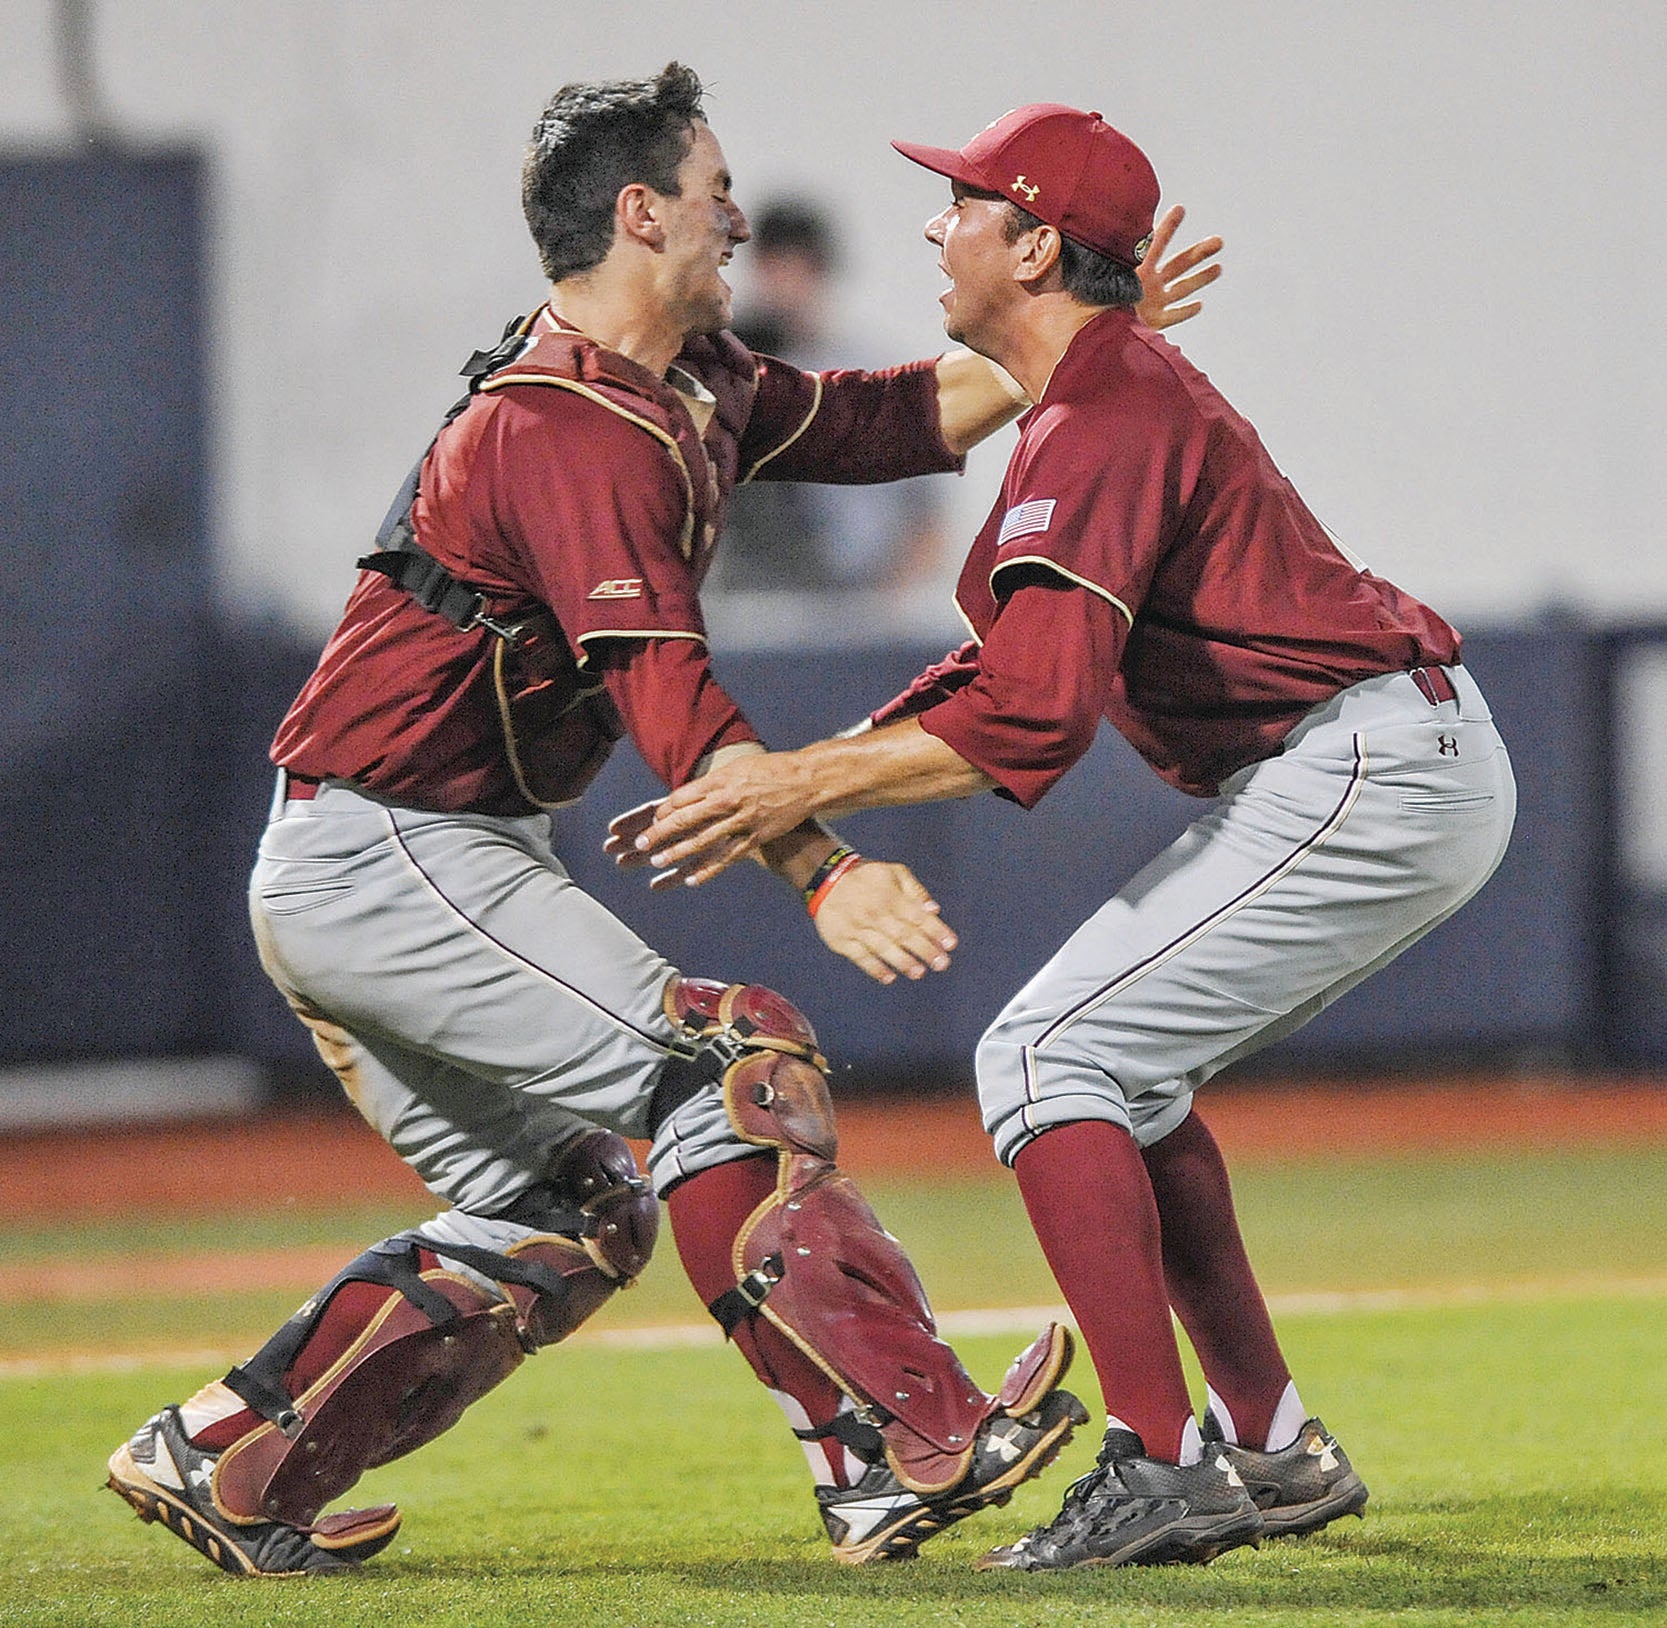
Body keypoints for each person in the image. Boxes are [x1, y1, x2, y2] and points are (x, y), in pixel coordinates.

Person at [101, 66, 1217, 1578]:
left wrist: (1082, 332)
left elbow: (892, 419)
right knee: (730, 1061)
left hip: (406, 847)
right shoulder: (563, 425)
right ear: (639, 213)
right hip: (389, 848)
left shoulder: (684, 381)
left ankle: (233, 1459)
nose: (735, 213)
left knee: (571, 1211)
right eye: (710, 190)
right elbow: (670, 706)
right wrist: (820, 870)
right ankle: (891, 1444)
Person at [623, 101, 1517, 1571]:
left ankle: (1163, 1465)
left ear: (1033, 243)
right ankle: (1267, 1443)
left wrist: (790, 789)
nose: (934, 225)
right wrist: (803, 775)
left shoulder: (1103, 412)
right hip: (1373, 752)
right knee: (1120, 1071)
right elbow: (1002, 675)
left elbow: (1030, 719)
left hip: (1368, 760)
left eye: (964, 203)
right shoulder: (1093, 395)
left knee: (1047, 1058)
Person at [710, 198, 951, 593]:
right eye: (775, 266)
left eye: (800, 268)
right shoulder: (729, 370)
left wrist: (885, 603)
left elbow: (928, 514)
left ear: (821, 271)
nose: (787, 283)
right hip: (757, 594)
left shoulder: (874, 375)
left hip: (857, 597)